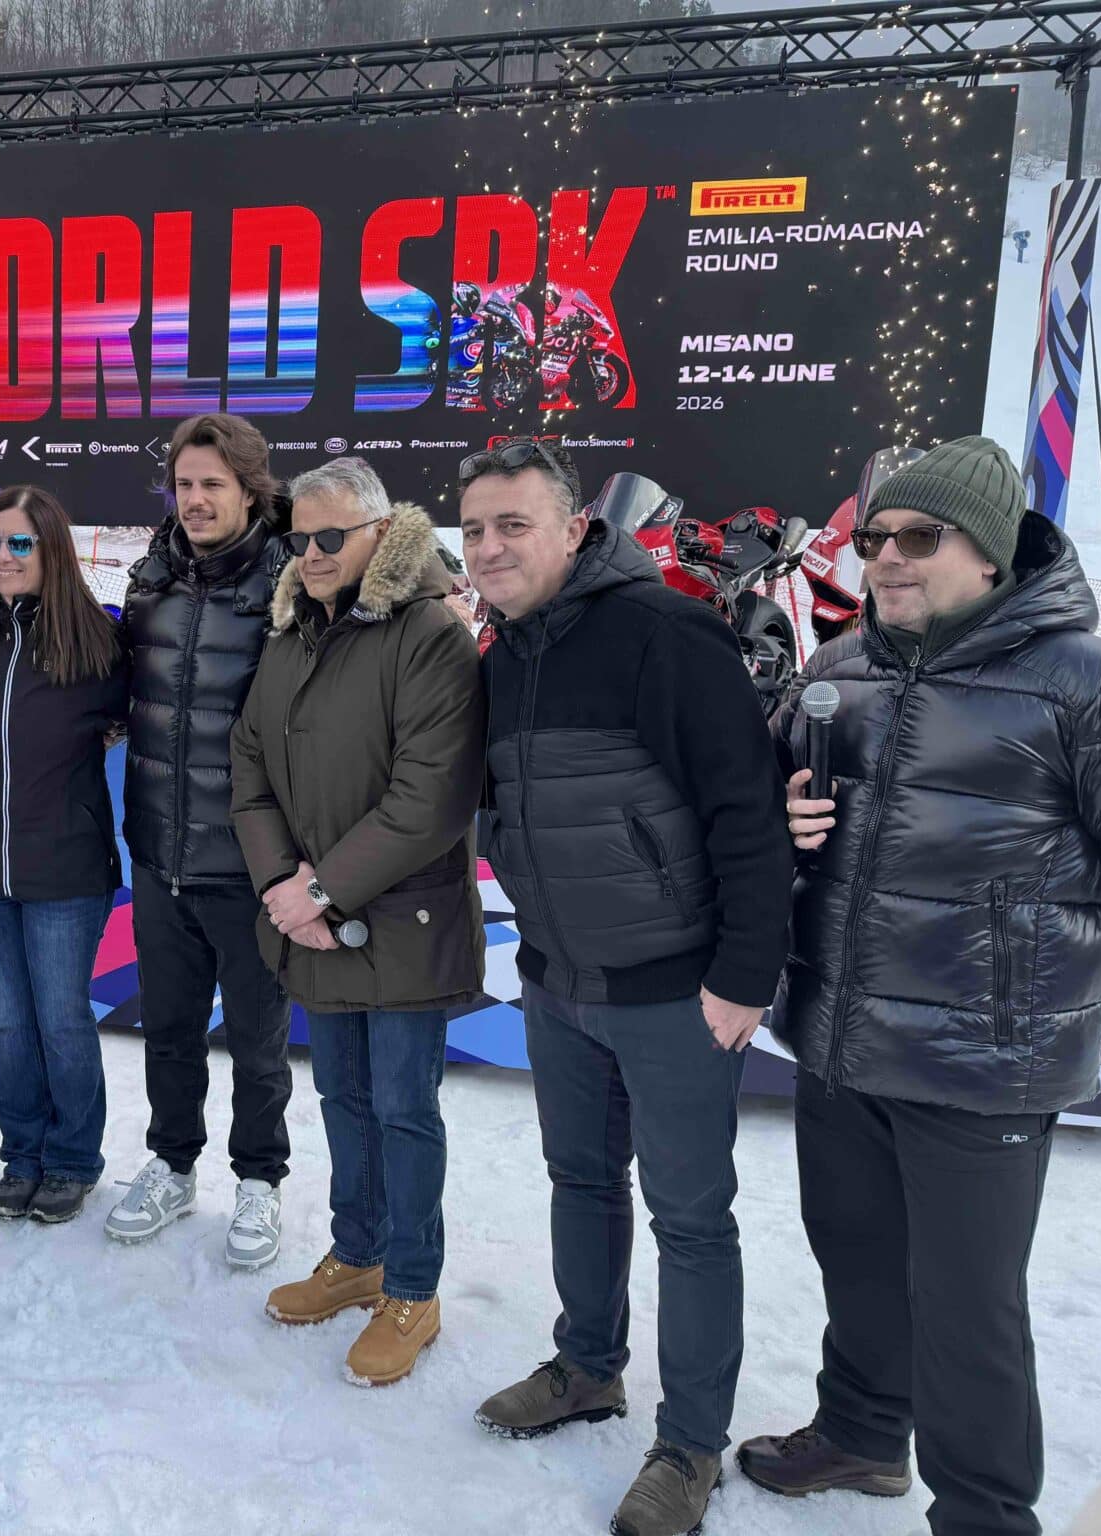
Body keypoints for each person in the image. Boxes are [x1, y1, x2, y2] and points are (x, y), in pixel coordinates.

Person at [739, 437, 1101, 1536]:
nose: (887, 561)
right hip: (836, 1030)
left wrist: (1045, 962)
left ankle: (981, 1515)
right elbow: (760, 817)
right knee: (856, 1258)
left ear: (992, 554)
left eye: (919, 538)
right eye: (873, 541)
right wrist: (781, 824)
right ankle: (863, 1437)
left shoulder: (1088, 682)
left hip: (983, 1062)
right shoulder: (836, 674)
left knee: (968, 1312)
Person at [458, 438, 792, 1536]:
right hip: (557, 979)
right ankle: (585, 1368)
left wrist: (744, 975)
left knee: (690, 1220)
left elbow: (744, 814)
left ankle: (688, 1444)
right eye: (474, 530)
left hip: (673, 991)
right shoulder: (502, 651)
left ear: (572, 528)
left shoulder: (665, 632)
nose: (491, 546)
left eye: (513, 524)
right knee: (579, 1183)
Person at [231, 456, 484, 1388]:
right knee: (341, 1098)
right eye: (299, 539)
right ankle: (360, 1254)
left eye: (330, 537)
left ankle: (412, 1285)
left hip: (400, 924)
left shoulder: (429, 634)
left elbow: (430, 798)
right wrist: (281, 889)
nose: (312, 554)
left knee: (403, 1108)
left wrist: (318, 892)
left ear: (383, 532)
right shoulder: (291, 632)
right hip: (311, 919)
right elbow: (249, 766)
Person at [107, 413, 296, 1270]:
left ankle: (260, 1181)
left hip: (251, 866)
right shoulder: (153, 579)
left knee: (257, 1042)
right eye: (184, 485)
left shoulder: (295, 584)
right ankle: (174, 1163)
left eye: (212, 484)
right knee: (171, 1030)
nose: (195, 500)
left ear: (249, 489)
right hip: (158, 852)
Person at [0, 486, 129, 1225]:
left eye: (19, 543)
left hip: (66, 869)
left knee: (60, 1020)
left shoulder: (100, 641)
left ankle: (72, 1160)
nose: (2, 557)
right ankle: (21, 1156)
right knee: (10, 1023)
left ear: (51, 547)